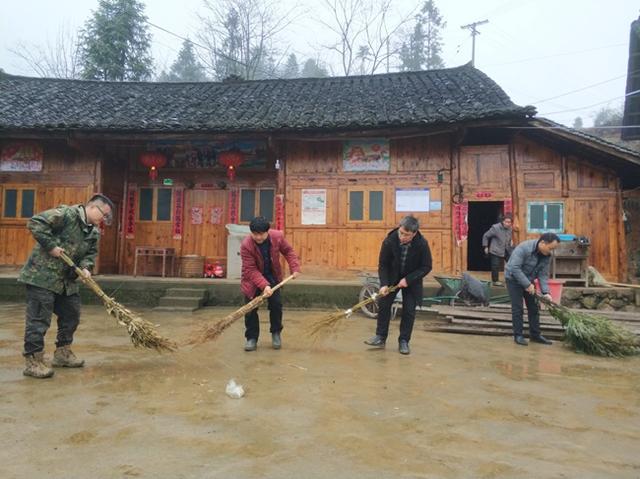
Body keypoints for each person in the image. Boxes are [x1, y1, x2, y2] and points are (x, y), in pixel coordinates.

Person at [18, 194, 114, 379]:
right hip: (42, 276)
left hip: (66, 281)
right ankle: (33, 361)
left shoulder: (92, 232)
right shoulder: (66, 214)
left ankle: (63, 353)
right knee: (39, 320)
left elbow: (90, 254)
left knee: (72, 314)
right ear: (93, 207)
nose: (104, 219)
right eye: (104, 215)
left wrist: (86, 268)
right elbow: (35, 222)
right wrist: (51, 246)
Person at [364, 216, 432, 355]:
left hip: (412, 281)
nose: (402, 237)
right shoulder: (390, 240)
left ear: (414, 233)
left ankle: (404, 341)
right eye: (401, 232)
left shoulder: (422, 244)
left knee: (408, 310)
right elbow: (383, 264)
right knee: (383, 304)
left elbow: (426, 266)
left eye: (406, 235)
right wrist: (384, 284)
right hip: (392, 278)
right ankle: (380, 337)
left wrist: (408, 279)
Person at [240, 216, 301, 352]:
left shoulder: (277, 237)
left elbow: (289, 251)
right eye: (255, 234)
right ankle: (251, 338)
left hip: (272, 275)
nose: (258, 237)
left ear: (268, 232)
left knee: (276, 305)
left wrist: (295, 268)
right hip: (252, 278)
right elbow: (250, 269)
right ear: (251, 233)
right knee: (250, 309)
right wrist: (264, 286)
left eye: (261, 234)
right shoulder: (246, 245)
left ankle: (276, 333)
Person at [504, 232, 560, 346]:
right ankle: (518, 335)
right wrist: (527, 285)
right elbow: (514, 268)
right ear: (543, 243)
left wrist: (546, 292)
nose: (551, 251)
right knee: (518, 308)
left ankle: (535, 335)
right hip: (513, 279)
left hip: (528, 280)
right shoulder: (524, 248)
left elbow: (543, 275)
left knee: (534, 307)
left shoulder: (547, 255)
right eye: (551, 248)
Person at [482, 213, 513, 286]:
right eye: (506, 222)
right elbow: (486, 236)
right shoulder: (495, 228)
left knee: (512, 263)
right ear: (503, 221)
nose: (507, 224)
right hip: (495, 249)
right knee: (495, 266)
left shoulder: (510, 228)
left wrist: (511, 240)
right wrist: (485, 246)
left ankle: (511, 279)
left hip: (506, 249)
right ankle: (495, 281)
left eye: (509, 222)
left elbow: (508, 236)